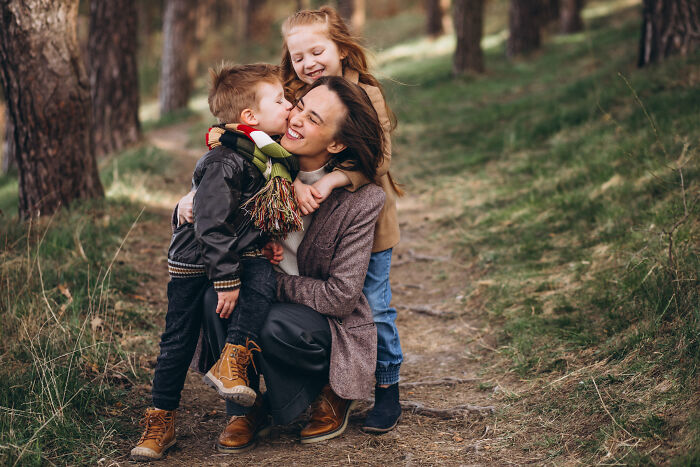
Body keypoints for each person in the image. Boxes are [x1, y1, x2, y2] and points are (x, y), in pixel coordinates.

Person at [209, 6, 404, 433]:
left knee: (374, 308)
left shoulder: (365, 94)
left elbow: (381, 158)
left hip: (368, 221)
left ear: (342, 49)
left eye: (317, 52)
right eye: (298, 57)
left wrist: (335, 178)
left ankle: (385, 388)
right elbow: (253, 139)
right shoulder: (296, 94)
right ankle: (252, 397)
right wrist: (288, 178)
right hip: (315, 203)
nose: (308, 63)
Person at [193, 76, 386, 452]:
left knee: (266, 318)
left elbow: (341, 297)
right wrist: (190, 201)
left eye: (313, 119)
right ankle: (244, 406)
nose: (296, 119)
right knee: (214, 298)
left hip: (322, 323)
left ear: (336, 142)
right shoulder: (261, 169)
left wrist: (266, 283)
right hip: (264, 295)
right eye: (298, 107)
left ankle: (331, 391)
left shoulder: (362, 200)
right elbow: (215, 187)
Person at [130, 63, 295, 462]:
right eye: (280, 100)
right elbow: (210, 224)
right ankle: (160, 419)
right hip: (195, 260)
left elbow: (250, 211)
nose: (290, 105)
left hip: (239, 251)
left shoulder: (263, 156)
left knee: (262, 282)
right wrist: (225, 279)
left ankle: (232, 360)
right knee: (177, 340)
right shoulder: (225, 161)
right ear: (250, 117)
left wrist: (267, 239)